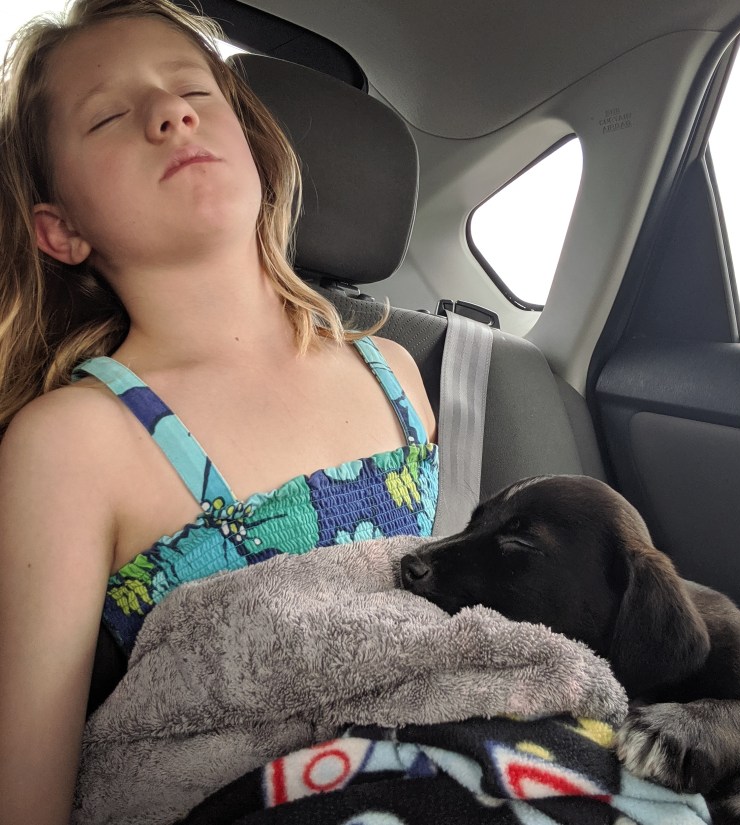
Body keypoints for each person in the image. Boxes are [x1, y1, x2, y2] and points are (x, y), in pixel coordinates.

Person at [0, 1, 437, 821]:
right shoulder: (75, 441)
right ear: (61, 230)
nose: (170, 113)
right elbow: (27, 796)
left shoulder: (394, 376)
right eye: (109, 116)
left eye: (194, 90)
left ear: (255, 150)